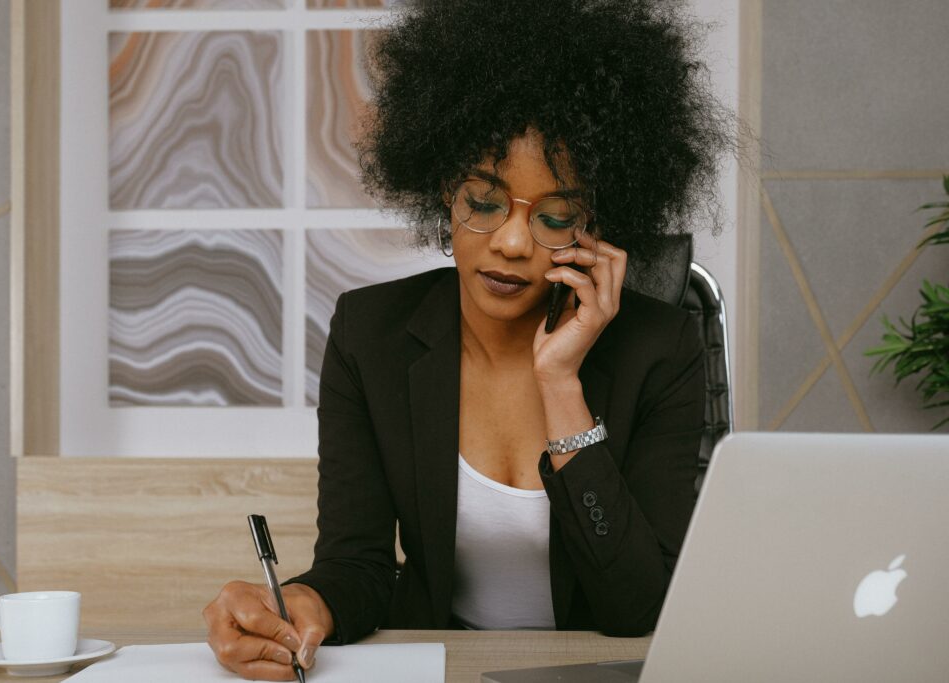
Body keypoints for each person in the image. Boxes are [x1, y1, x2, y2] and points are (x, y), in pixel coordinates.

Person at [203, 0, 731, 679]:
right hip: (442, 666)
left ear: (593, 224)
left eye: (555, 214)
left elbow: (638, 606)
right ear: (441, 192)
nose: (511, 242)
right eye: (483, 202)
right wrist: (301, 601)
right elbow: (357, 565)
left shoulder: (659, 348)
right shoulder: (373, 336)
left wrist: (561, 384)